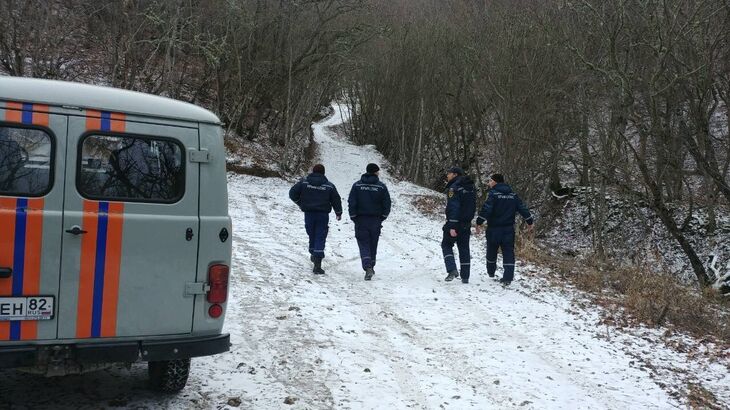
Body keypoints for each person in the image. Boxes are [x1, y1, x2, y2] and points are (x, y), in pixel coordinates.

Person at [475, 173, 534, 286]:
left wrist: (479, 222)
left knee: (491, 250)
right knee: (508, 252)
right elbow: (522, 208)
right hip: (508, 229)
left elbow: (487, 209)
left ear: (495, 182)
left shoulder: (493, 194)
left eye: (490, 181)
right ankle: (508, 277)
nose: (489, 183)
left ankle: (491, 271)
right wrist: (529, 221)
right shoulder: (513, 195)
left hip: (494, 229)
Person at [289, 164, 343, 274]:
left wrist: (300, 203)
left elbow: (292, 193)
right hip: (322, 215)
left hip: (309, 214)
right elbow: (336, 199)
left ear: (313, 171)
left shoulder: (304, 183)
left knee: (311, 234)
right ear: (323, 173)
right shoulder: (329, 186)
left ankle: (313, 252)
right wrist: (338, 212)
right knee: (320, 236)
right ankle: (317, 263)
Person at [348, 163, 391, 281]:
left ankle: (367, 266)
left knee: (363, 242)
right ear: (375, 172)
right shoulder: (381, 187)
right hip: (376, 219)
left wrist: (353, 216)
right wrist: (383, 216)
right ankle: (371, 264)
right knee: (373, 242)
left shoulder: (357, 185)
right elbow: (387, 203)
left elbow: (352, 201)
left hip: (361, 219)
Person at [442, 166, 477, 283]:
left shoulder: (454, 187)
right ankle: (465, 277)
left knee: (446, 244)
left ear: (455, 174)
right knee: (464, 248)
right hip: (466, 223)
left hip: (455, 223)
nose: (447, 175)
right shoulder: (471, 187)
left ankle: (452, 269)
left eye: (449, 173)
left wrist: (452, 225)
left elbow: (454, 207)